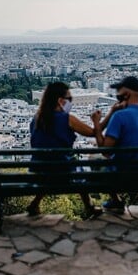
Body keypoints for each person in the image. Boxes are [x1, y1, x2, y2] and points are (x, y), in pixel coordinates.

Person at [27, 82, 117, 218]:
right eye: (69, 99)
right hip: (64, 171)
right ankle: (93, 205)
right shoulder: (67, 119)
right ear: (60, 100)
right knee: (88, 164)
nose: (71, 102)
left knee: (51, 164)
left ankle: (35, 203)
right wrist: (102, 118)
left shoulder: (36, 119)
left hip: (39, 170)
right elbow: (93, 132)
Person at [91, 76, 138, 214]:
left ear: (126, 95)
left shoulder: (119, 117)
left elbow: (106, 152)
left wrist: (97, 124)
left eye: (118, 97)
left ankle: (116, 200)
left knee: (94, 160)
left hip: (122, 174)